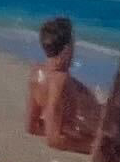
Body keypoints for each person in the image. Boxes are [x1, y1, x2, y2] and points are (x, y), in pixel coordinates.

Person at [25, 16, 93, 153]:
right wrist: (91, 147)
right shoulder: (60, 81)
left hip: (73, 126)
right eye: (74, 43)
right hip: (78, 130)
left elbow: (30, 127)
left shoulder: (36, 72)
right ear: (67, 49)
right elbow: (54, 139)